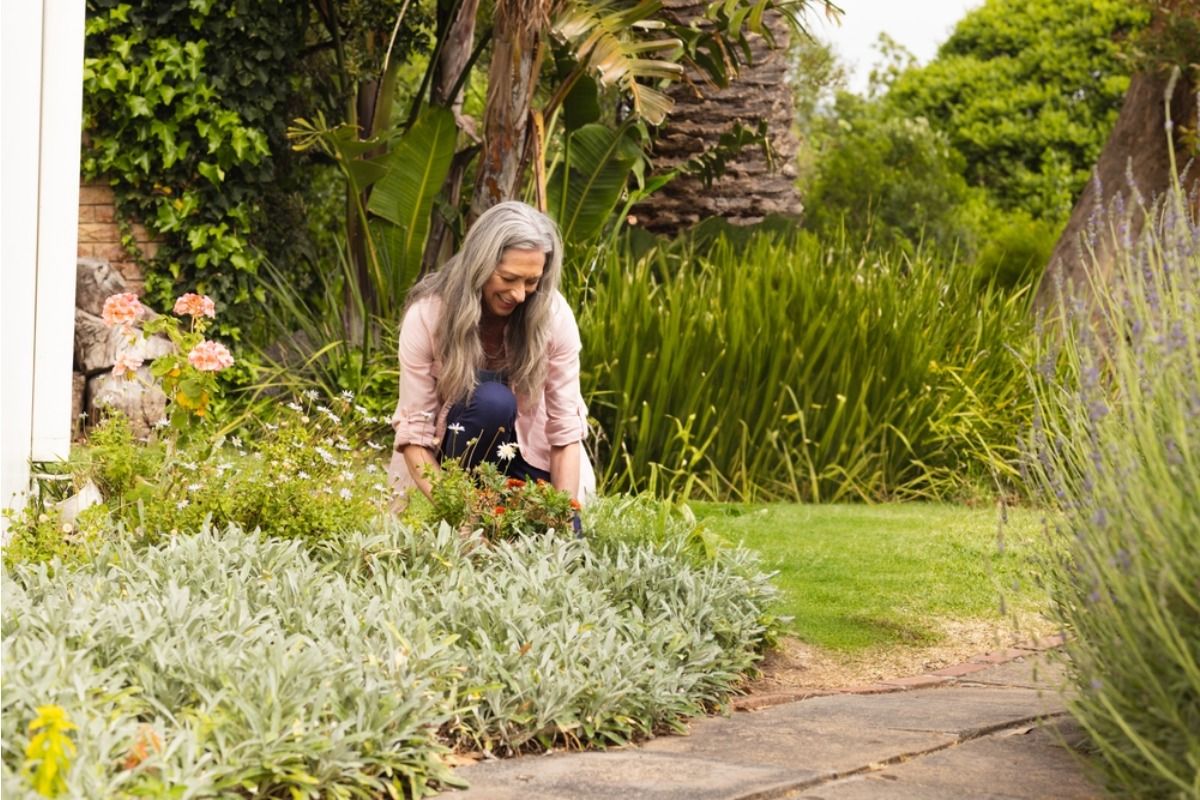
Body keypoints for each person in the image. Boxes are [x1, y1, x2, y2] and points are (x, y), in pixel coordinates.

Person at [387, 201, 595, 512]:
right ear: (479, 265)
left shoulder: (553, 314)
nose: (520, 294)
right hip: (452, 468)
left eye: (531, 281)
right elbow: (414, 433)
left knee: (549, 532)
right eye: (509, 279)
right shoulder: (428, 315)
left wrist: (563, 513)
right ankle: (474, 508)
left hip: (526, 456)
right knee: (493, 402)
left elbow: (564, 428)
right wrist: (460, 512)